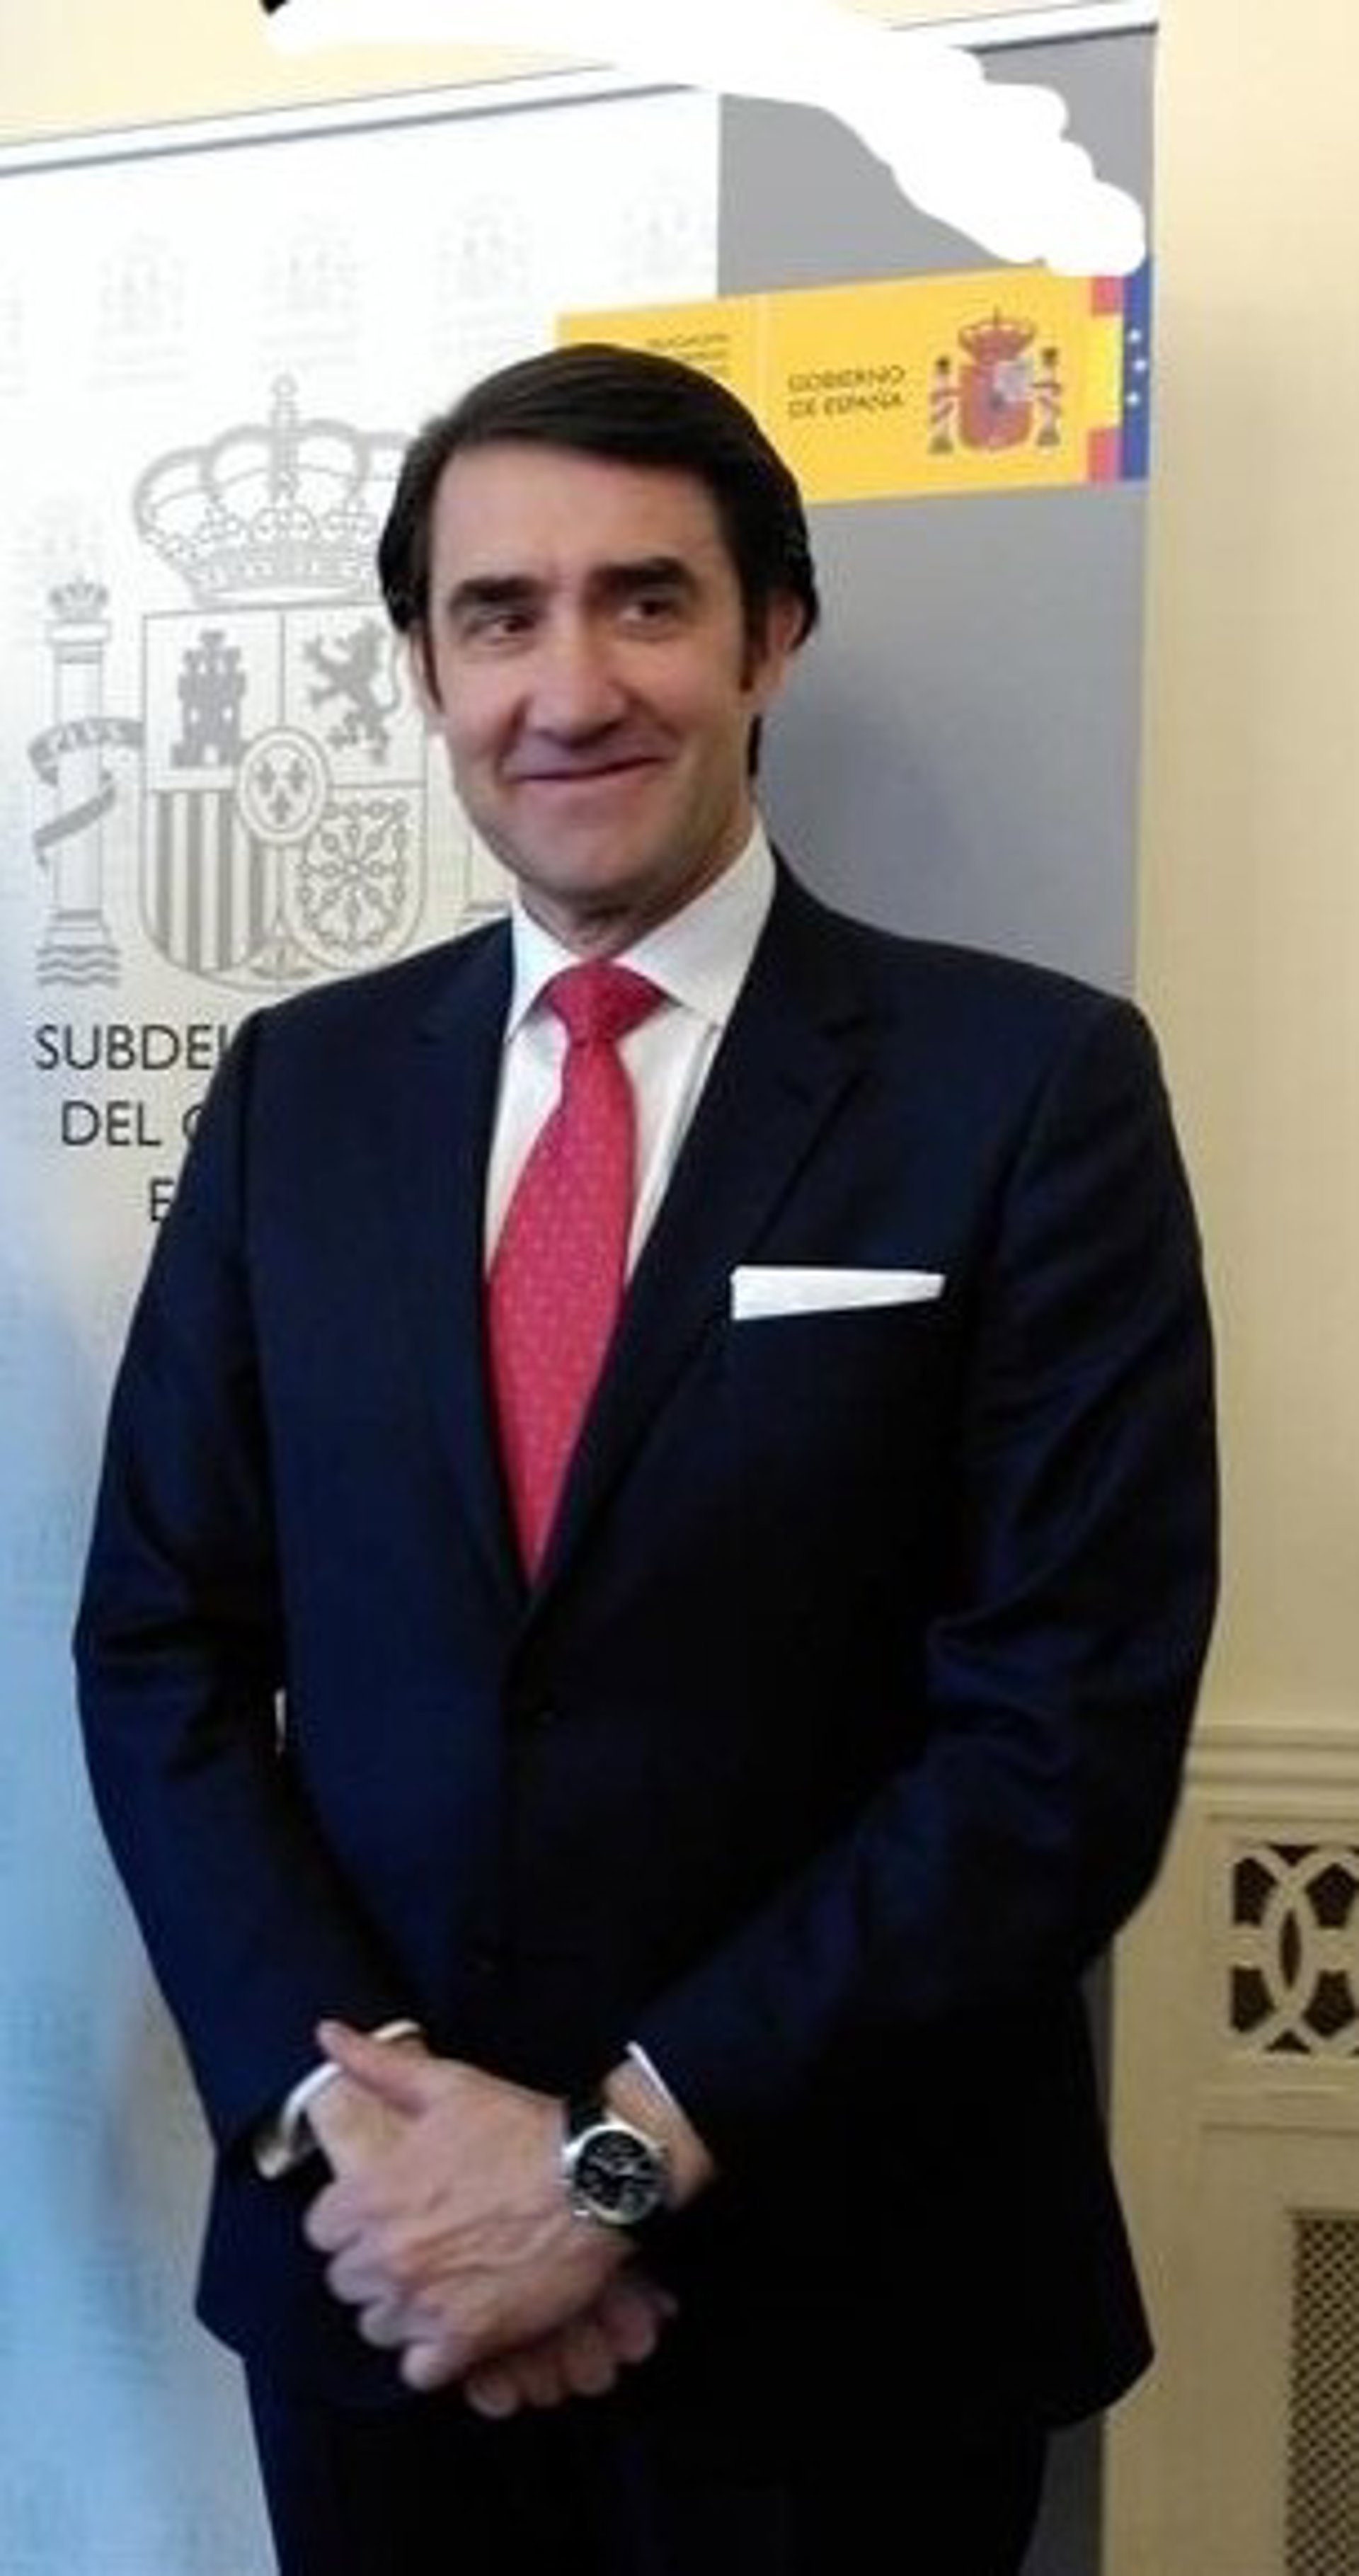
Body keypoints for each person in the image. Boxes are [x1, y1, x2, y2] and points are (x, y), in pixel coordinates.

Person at [76, 341, 1217, 2576]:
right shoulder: (301, 1092)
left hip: (846, 2314)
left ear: (771, 634)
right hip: (385, 2304)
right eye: (498, 615)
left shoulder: (1027, 1090)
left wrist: (603, 2169)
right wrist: (370, 2139)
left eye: (646, 601)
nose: (570, 686)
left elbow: (1058, 1735)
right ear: (427, 670)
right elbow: (164, 1647)